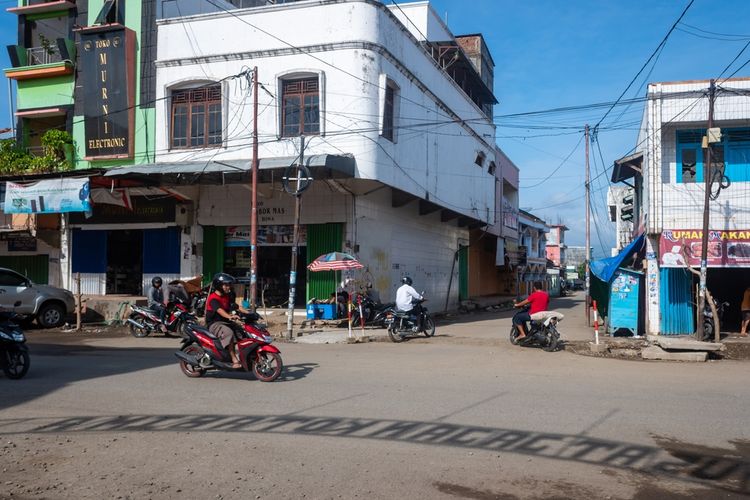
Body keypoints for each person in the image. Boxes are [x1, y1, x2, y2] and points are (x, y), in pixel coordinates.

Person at [204, 273, 251, 368]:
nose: (228, 287)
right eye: (226, 285)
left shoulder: (226, 296)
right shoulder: (213, 298)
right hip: (214, 324)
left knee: (242, 332)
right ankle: (233, 358)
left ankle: (246, 357)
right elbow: (220, 310)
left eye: (229, 284)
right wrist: (230, 316)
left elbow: (237, 307)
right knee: (229, 333)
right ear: (219, 285)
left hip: (225, 322)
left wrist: (250, 314)